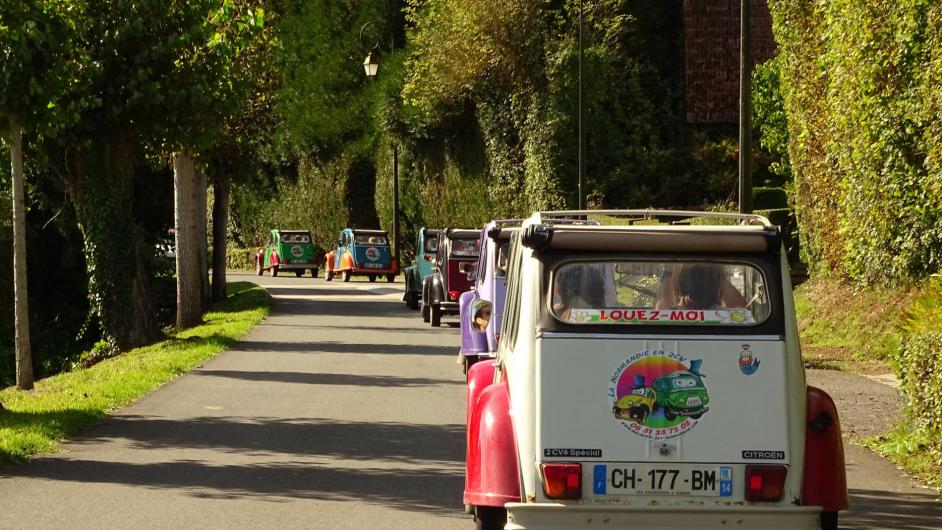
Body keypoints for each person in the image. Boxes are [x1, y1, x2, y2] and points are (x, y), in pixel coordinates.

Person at [655, 263, 746, 310]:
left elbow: (659, 313)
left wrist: (669, 273)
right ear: (718, 287)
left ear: (680, 287)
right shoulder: (727, 318)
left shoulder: (672, 319)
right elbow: (740, 307)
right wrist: (719, 276)